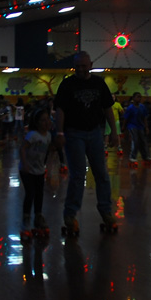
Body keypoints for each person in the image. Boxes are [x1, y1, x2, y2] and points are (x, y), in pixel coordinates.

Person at [53, 51, 118, 234]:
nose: (81, 69)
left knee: (102, 174)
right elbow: (60, 110)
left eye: (84, 65)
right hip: (74, 134)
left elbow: (108, 109)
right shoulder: (67, 84)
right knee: (77, 175)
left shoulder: (99, 83)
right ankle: (70, 214)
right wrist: (59, 132)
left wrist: (114, 132)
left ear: (91, 64)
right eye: (77, 66)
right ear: (74, 66)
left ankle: (106, 211)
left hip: (96, 133)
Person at [20, 107, 54, 237]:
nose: (46, 123)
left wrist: (48, 167)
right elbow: (22, 148)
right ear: (37, 122)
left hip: (39, 170)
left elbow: (48, 152)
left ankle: (38, 217)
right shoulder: (32, 135)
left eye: (48, 120)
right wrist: (24, 164)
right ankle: (26, 220)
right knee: (30, 193)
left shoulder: (49, 136)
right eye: (43, 120)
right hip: (27, 170)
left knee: (39, 194)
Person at [125, 92, 151, 167]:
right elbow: (126, 118)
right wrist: (124, 127)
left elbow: (144, 117)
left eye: (140, 97)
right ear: (133, 98)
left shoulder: (142, 107)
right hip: (132, 126)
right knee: (135, 140)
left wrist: (146, 127)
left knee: (143, 141)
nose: (139, 99)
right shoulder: (130, 108)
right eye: (137, 97)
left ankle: (145, 157)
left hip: (140, 126)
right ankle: (132, 157)